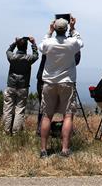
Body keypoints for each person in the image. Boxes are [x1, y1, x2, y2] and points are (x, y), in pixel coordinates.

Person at [39, 16, 83, 158]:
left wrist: (49, 31)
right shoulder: (71, 43)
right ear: (65, 30)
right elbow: (80, 42)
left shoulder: (48, 43)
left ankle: (44, 150)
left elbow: (41, 46)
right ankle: (64, 149)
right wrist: (73, 28)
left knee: (47, 116)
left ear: (55, 28)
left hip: (49, 82)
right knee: (68, 115)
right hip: (67, 82)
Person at [4, 36, 39, 134]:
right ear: (26, 47)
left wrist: (15, 43)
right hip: (23, 87)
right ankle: (16, 132)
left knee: (8, 109)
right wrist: (34, 43)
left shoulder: (12, 57)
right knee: (19, 110)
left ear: (18, 47)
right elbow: (36, 55)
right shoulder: (29, 59)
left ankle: (6, 131)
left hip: (11, 85)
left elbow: (8, 50)